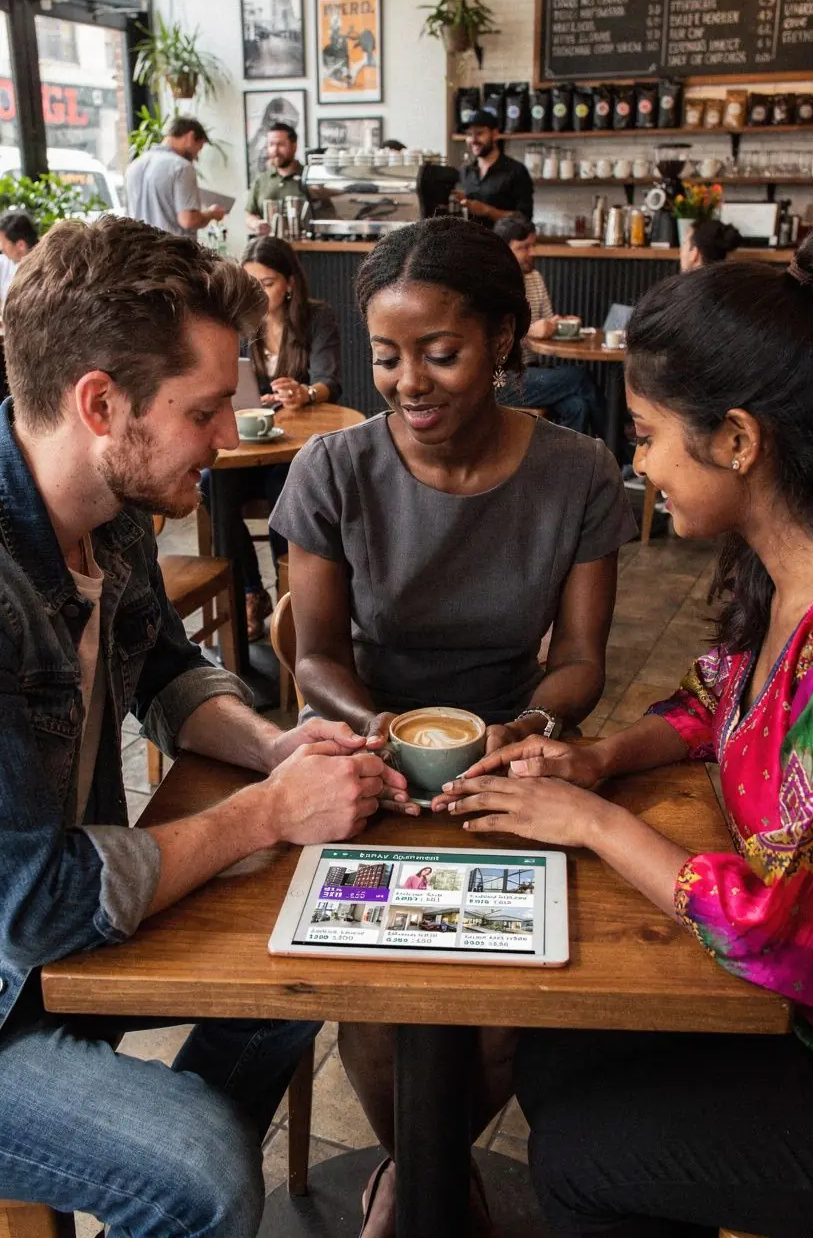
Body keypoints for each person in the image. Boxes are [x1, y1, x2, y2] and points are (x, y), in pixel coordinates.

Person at [0, 215, 398, 1237]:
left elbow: (166, 668)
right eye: (206, 409)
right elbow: (38, 904)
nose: (230, 437)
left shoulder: (109, 503)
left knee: (298, 962)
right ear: (100, 403)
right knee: (207, 1176)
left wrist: (272, 746)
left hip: (44, 934)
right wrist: (266, 811)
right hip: (12, 968)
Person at [439, 231, 813, 1238]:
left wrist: (594, 822)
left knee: (581, 1156)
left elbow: (777, 938)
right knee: (559, 1047)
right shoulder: (779, 581)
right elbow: (709, 704)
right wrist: (600, 758)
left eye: (645, 434)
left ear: (737, 439)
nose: (635, 462)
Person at [271, 215, 637, 1234]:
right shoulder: (335, 470)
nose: (409, 383)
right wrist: (375, 722)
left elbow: (579, 663)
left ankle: (435, 1169)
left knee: (502, 1030)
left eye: (442, 352)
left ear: (505, 341)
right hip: (367, 761)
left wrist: (521, 723)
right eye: (387, 357)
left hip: (511, 765)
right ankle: (418, 1173)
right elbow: (312, 657)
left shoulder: (578, 473)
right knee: (382, 1021)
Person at [200, 235, 341, 641]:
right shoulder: (244, 325)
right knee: (214, 484)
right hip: (253, 446)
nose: (259, 293)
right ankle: (249, 592)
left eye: (267, 283)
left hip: (294, 448)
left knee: (289, 487)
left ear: (290, 282)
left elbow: (329, 380)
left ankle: (292, 601)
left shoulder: (317, 317)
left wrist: (305, 393)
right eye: (252, 284)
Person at [494, 213, 606, 436]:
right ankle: (617, 449)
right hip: (501, 379)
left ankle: (573, 469)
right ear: (504, 250)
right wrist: (529, 331)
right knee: (579, 377)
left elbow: (546, 322)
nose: (532, 253)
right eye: (523, 247)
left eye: (533, 245)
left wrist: (559, 324)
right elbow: (491, 337)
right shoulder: (493, 284)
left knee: (578, 406)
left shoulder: (535, 278)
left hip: (531, 371)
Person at [125, 116, 225, 236]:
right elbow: (188, 220)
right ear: (191, 136)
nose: (196, 157)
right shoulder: (181, 167)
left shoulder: (135, 165)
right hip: (172, 251)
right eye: (199, 148)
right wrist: (211, 213)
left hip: (140, 249)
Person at [453, 109, 533, 227]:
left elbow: (524, 218)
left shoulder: (516, 171)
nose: (473, 140)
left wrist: (487, 211)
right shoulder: (465, 171)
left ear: (495, 134)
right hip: (470, 242)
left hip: (502, 243)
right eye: (469, 134)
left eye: (479, 133)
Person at [245, 121, 304, 234]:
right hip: (268, 246)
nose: (275, 150)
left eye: (280, 144)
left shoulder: (308, 177)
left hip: (304, 247)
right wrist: (256, 224)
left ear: (294, 146)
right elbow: (250, 215)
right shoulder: (261, 180)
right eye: (271, 145)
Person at [0, 209, 38, 311]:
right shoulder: (5, 262)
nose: (1, 248)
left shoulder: (47, 269)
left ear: (21, 245)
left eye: (3, 243)